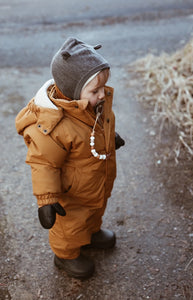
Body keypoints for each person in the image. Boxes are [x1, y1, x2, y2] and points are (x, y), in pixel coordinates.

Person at [15, 37, 125, 279]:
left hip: (96, 180)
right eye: (94, 90)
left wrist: (109, 136)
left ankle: (91, 234)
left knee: (95, 209)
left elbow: (97, 126)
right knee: (70, 224)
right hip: (72, 193)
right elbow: (43, 163)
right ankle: (65, 255)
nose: (102, 95)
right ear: (74, 90)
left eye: (102, 88)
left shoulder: (92, 104)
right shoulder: (53, 126)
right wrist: (46, 199)